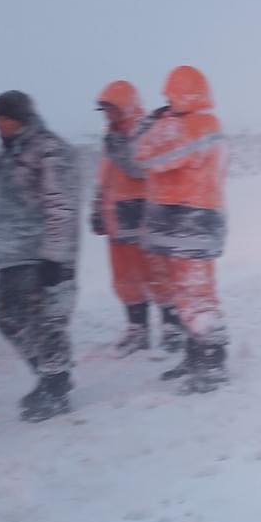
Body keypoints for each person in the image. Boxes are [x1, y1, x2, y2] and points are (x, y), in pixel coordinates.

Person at [0, 91, 81, 421]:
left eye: (7, 119)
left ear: (23, 117)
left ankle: (56, 386)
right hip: (9, 252)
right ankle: (51, 373)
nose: (1, 126)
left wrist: (55, 257)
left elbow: (60, 204)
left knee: (42, 322)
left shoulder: (48, 148)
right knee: (6, 320)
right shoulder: (11, 151)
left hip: (38, 252)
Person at [135, 65, 229, 393]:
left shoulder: (194, 125)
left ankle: (213, 365)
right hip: (189, 223)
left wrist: (154, 124)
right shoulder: (199, 124)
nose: (167, 100)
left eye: (171, 94)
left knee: (196, 298)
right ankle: (197, 356)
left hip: (192, 223)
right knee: (188, 295)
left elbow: (146, 157)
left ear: (184, 93)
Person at [90, 80, 184, 354]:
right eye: (105, 110)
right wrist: (97, 208)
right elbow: (105, 177)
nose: (108, 114)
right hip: (117, 221)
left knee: (158, 275)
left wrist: (118, 144)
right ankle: (137, 331)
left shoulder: (145, 129)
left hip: (143, 217)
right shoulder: (113, 134)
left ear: (127, 106)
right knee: (125, 280)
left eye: (113, 108)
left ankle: (172, 327)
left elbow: (139, 167)